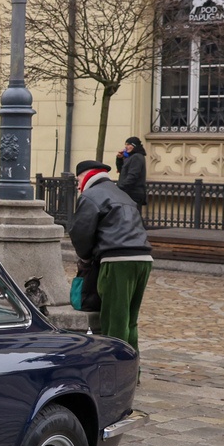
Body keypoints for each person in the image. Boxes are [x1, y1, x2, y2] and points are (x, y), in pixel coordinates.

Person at [69, 158, 153, 350]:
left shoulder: (91, 195)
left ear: (84, 177)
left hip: (118, 260)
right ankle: (132, 364)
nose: (78, 186)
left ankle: (115, 365)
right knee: (130, 321)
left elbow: (80, 232)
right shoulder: (122, 195)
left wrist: (85, 257)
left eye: (78, 180)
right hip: (144, 258)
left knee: (115, 321)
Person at [116, 136, 148, 208]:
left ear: (134, 145)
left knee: (132, 214)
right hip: (128, 193)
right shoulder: (130, 157)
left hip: (133, 194)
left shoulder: (137, 157)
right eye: (125, 145)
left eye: (128, 144)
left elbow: (133, 176)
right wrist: (119, 159)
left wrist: (120, 187)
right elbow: (121, 171)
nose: (126, 147)